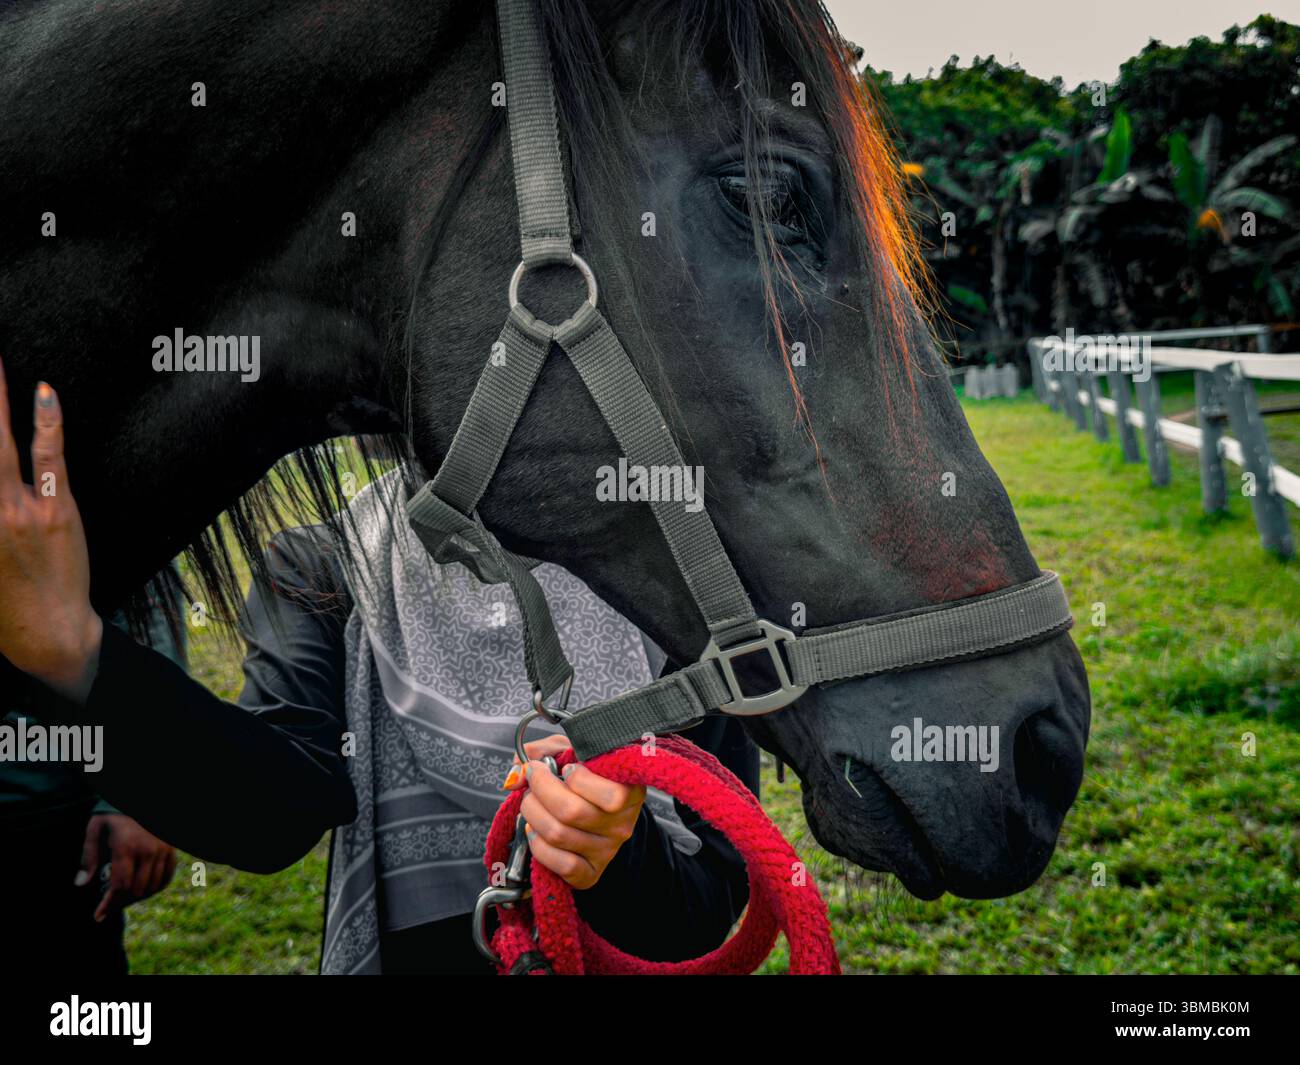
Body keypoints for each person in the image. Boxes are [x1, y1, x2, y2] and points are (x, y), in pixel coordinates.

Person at [0, 374, 757, 974]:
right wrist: (77, 656)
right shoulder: (324, 566)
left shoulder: (673, 576)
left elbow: (705, 911)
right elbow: (269, 815)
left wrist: (618, 857)